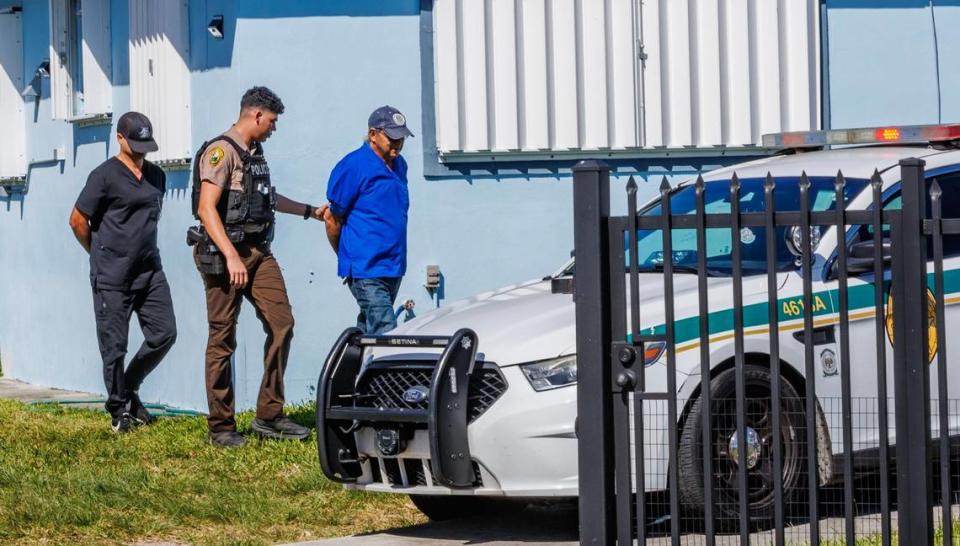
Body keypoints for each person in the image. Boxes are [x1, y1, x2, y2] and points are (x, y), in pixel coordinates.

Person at [191, 86, 324, 448]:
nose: (274, 129)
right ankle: (221, 427)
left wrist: (310, 211)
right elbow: (206, 209)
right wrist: (231, 256)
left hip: (258, 252)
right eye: (273, 122)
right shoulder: (221, 152)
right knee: (223, 339)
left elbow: (266, 198)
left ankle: (269, 415)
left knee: (283, 324)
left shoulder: (255, 154)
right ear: (256, 115)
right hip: (223, 255)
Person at [69, 111, 177, 433]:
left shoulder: (157, 176)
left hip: (149, 272)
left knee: (164, 333)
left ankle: (129, 388)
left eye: (145, 143)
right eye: (135, 142)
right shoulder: (103, 176)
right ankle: (119, 411)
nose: (141, 149)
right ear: (119, 138)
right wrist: (100, 255)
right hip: (112, 276)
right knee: (114, 348)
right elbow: (77, 220)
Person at [324, 106, 413, 334]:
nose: (397, 144)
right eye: (392, 138)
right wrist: (347, 256)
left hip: (393, 266)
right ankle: (393, 370)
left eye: (401, 138)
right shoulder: (353, 166)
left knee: (368, 331)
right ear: (373, 134)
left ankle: (353, 369)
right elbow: (332, 218)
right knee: (387, 331)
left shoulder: (399, 165)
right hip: (366, 268)